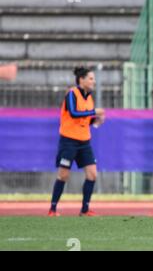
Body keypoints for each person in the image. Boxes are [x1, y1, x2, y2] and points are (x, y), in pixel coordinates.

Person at [48, 67, 105, 217]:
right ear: (82, 80)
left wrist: (96, 120)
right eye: (91, 78)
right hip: (69, 141)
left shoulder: (89, 97)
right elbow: (73, 113)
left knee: (92, 174)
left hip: (84, 141)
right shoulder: (72, 94)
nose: (94, 81)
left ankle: (85, 209)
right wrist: (94, 112)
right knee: (63, 175)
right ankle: (52, 209)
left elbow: (86, 119)